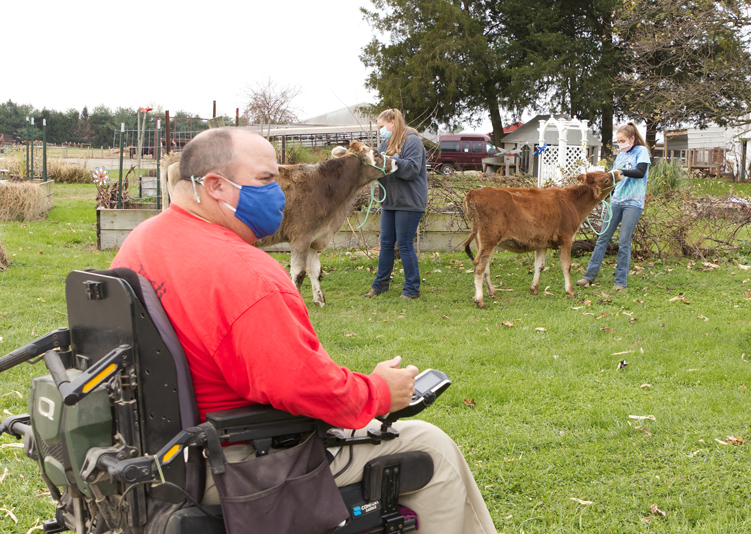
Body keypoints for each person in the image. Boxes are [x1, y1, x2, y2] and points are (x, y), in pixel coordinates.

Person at [111, 127, 496, 534]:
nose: (279, 190)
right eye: (265, 179)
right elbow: (306, 389)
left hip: (157, 450)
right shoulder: (246, 275)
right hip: (235, 458)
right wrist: (381, 391)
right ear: (215, 186)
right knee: (432, 447)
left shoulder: (142, 240)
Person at [576, 122, 651, 291]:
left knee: (624, 241)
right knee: (602, 238)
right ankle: (589, 276)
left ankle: (620, 282)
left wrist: (622, 172)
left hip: (633, 203)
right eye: (618, 141)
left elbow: (640, 172)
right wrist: (602, 197)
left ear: (632, 138)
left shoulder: (642, 152)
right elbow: (612, 181)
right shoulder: (620, 156)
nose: (620, 144)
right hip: (617, 201)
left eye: (623, 140)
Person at [363, 108, 428, 299]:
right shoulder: (386, 143)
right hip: (390, 201)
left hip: (409, 201)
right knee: (385, 244)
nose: (381, 130)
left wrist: (391, 161)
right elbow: (379, 166)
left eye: (382, 126)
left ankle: (411, 289)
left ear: (392, 122)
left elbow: (413, 169)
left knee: (405, 245)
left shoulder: (412, 141)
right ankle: (380, 286)